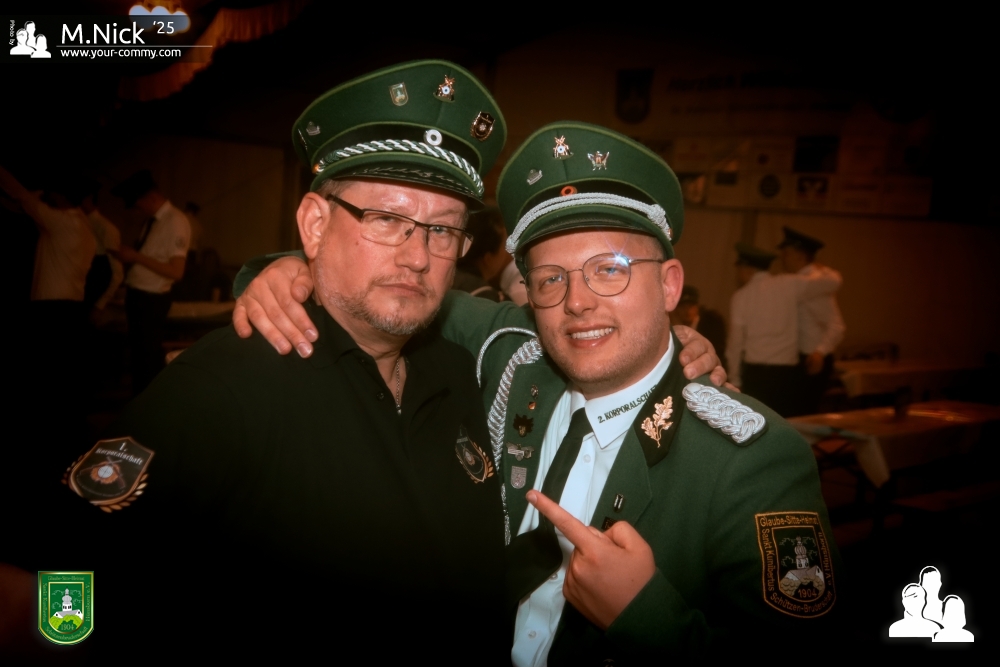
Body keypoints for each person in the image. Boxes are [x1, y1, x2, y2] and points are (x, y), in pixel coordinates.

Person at [232, 122, 841, 662]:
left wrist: (647, 618)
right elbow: (388, 289)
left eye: (610, 270)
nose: (577, 303)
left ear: (670, 284)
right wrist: (286, 270)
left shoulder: (753, 460)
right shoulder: (516, 356)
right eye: (550, 279)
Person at [727, 242, 842, 417]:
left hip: (755, 374)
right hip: (786, 375)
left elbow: (735, 344)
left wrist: (735, 378)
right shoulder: (789, 284)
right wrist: (821, 269)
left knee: (754, 421)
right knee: (785, 421)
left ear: (747, 269)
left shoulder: (740, 297)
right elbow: (832, 283)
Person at [110, 169, 191, 394]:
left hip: (152, 300)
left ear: (151, 197)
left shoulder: (175, 221)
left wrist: (135, 257)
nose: (138, 211)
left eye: (138, 205)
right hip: (138, 295)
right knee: (139, 358)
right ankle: (141, 400)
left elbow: (176, 271)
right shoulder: (153, 221)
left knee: (147, 359)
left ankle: (148, 401)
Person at [779, 226, 846, 415]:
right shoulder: (799, 280)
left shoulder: (813, 283)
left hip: (812, 358)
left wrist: (819, 352)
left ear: (800, 256)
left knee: (804, 413)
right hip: (798, 356)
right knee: (795, 412)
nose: (782, 258)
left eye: (787, 253)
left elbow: (837, 326)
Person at [671, 285, 727, 369]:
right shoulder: (673, 330)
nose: (687, 311)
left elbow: (719, 353)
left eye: (691, 306)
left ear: (697, 306)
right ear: (676, 309)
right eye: (683, 307)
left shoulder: (711, 325)